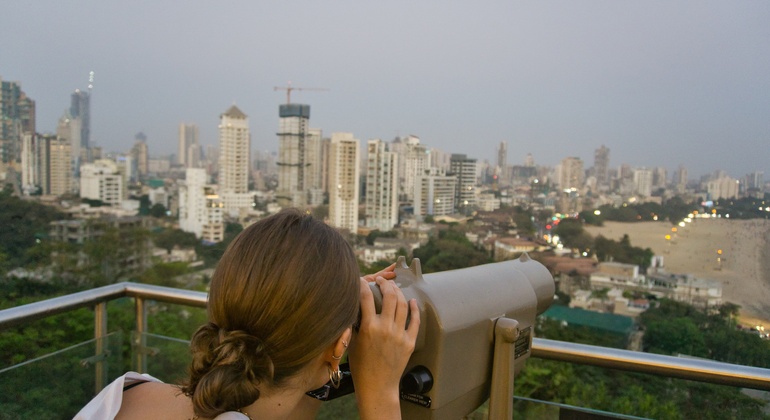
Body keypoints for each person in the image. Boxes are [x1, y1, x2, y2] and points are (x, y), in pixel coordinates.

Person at [75, 209, 419, 419]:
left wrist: (322, 310)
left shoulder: (125, 395)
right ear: (339, 344)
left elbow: (280, 404)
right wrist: (381, 395)